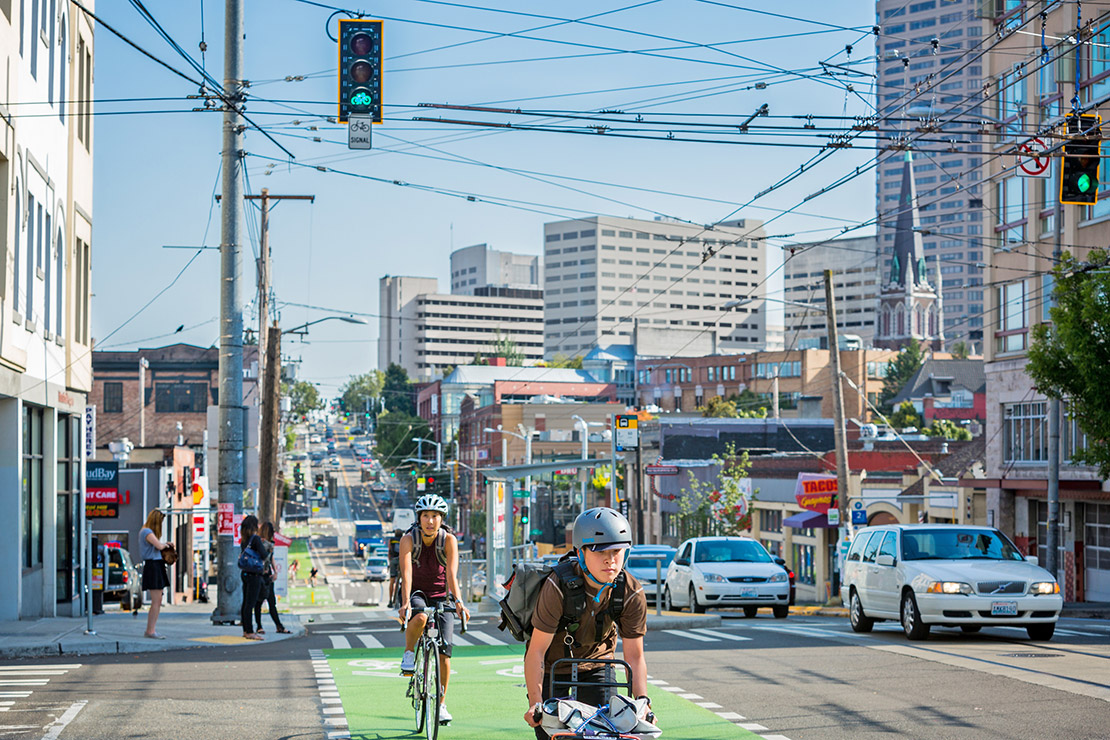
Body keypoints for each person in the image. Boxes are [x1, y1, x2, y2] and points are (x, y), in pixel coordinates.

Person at [522, 508, 652, 737]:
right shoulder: (558, 586)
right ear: (580, 553)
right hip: (554, 665)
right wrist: (535, 702)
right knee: (551, 733)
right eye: (599, 551)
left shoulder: (631, 591)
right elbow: (537, 651)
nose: (610, 559)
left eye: (616, 551)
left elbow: (635, 655)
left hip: (597, 663)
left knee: (610, 730)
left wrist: (643, 702)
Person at [398, 494, 471, 725]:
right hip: (418, 593)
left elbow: (451, 574)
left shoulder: (448, 540)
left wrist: (458, 601)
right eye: (426, 516)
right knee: (419, 616)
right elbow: (406, 574)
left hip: (442, 596)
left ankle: (440, 704)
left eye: (435, 516)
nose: (430, 521)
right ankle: (409, 653)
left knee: (445, 653)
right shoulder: (408, 540)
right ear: (418, 518)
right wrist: (405, 602)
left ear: (442, 519)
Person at [139, 509, 172, 639]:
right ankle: (150, 631)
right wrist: (166, 545)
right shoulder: (147, 531)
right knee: (156, 602)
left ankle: (151, 630)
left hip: (155, 566)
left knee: (157, 601)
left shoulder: (146, 531)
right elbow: (158, 546)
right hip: (153, 566)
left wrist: (165, 544)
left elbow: (158, 545)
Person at [253, 521, 290, 635]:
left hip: (265, 573)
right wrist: (274, 571)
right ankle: (267, 626)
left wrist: (275, 571)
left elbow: (271, 558)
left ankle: (274, 626)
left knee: (266, 601)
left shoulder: (269, 543)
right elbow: (264, 558)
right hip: (261, 574)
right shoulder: (260, 542)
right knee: (262, 602)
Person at [240, 515, 267, 641]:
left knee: (246, 602)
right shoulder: (255, 539)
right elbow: (264, 554)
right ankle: (250, 631)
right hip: (255, 574)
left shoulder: (244, 540)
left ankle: (246, 630)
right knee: (251, 603)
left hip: (245, 573)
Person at [387, 528, 403, 608]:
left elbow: (389, 550)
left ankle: (390, 600)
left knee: (392, 581)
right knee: (405, 580)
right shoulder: (404, 540)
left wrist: (389, 561)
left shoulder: (391, 540)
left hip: (393, 560)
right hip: (402, 560)